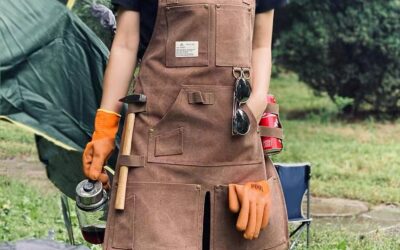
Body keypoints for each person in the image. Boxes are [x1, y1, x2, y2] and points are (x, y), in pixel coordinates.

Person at [82, 0, 289, 249]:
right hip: (157, 141)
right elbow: (125, 44)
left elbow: (261, 45)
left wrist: (254, 108)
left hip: (235, 142)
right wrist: (105, 127)